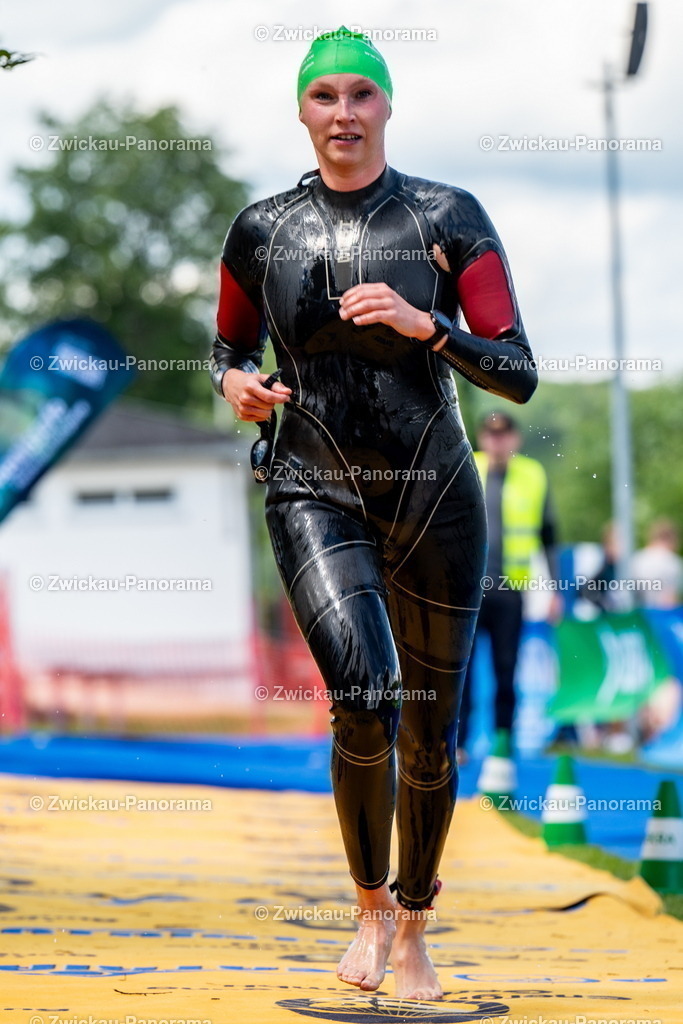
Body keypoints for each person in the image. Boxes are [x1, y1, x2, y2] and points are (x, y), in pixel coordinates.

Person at [210, 26, 537, 1001]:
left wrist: (427, 324)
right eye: (324, 97)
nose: (342, 113)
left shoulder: (447, 216)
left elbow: (515, 369)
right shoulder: (260, 230)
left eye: (360, 94)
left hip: (434, 494)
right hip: (312, 487)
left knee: (430, 732)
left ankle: (414, 928)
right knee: (362, 693)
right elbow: (222, 346)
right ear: (302, 111)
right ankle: (367, 909)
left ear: (386, 106)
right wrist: (234, 382)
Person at [456, 412, 559, 759]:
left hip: (510, 590)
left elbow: (548, 535)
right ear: (483, 438)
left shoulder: (532, 475)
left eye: (504, 435)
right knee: (461, 671)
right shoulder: (467, 464)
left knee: (506, 668)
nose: (498, 441)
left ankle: (503, 741)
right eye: (491, 435)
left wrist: (556, 589)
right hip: (467, 590)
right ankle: (459, 744)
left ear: (515, 438)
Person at [630, 518, 683, 610]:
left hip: (638, 615)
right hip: (659, 616)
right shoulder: (672, 562)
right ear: (673, 539)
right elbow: (669, 599)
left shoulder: (637, 559)